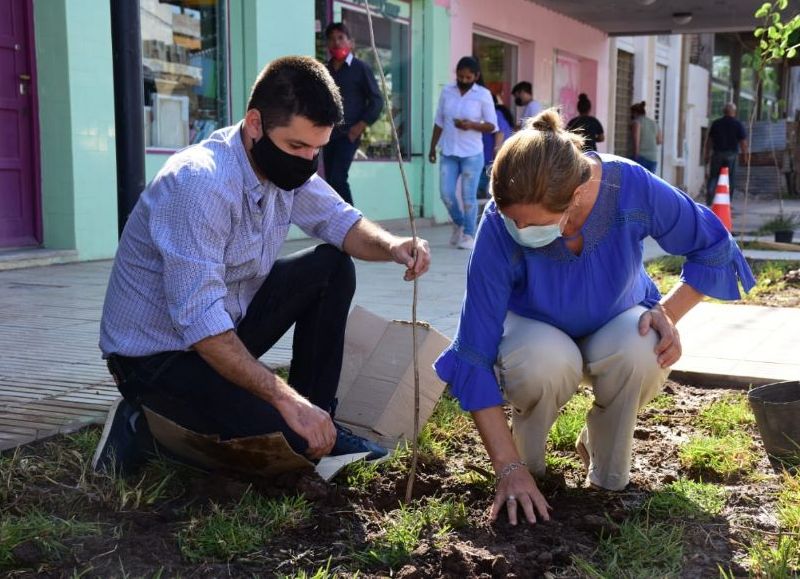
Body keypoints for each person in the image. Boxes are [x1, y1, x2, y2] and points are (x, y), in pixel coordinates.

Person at [94, 56, 431, 477]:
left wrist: (394, 246)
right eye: (297, 147)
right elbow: (201, 323)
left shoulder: (283, 167)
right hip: (158, 358)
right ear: (255, 123)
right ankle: (142, 422)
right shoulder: (200, 184)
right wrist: (285, 400)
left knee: (331, 266)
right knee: (286, 443)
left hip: (222, 330)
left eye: (317, 149)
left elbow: (340, 222)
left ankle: (319, 418)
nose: (308, 160)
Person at [434, 109, 755, 526]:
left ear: (575, 197)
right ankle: (527, 470)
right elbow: (474, 352)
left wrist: (667, 311)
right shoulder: (499, 223)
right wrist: (506, 468)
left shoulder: (630, 186)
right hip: (535, 330)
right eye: (511, 218)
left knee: (642, 350)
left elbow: (713, 244)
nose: (517, 228)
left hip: (617, 319)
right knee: (543, 362)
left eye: (529, 223)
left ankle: (607, 475)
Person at [428, 56, 498, 250]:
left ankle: (468, 234)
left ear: (476, 76)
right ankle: (459, 223)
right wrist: (432, 147)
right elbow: (439, 121)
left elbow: (492, 125)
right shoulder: (447, 91)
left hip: (472, 154)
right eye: (460, 76)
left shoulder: (483, 94)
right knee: (446, 194)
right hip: (448, 151)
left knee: (468, 197)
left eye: (468, 77)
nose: (464, 80)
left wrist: (471, 125)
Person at [323, 22, 383, 206]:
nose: (336, 42)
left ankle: (354, 221)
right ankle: (337, 222)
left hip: (348, 135)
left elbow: (377, 101)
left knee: (338, 178)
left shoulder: (360, 68)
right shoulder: (325, 71)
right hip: (326, 135)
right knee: (330, 182)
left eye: (341, 38)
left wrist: (359, 127)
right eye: (332, 39)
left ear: (351, 42)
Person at [705, 102, 749, 206]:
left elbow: (709, 141)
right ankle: (727, 202)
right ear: (734, 112)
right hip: (731, 155)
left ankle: (709, 200)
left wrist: (707, 154)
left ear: (723, 111)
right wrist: (745, 156)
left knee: (714, 176)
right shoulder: (737, 124)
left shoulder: (716, 123)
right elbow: (743, 142)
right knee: (730, 178)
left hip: (717, 154)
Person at [478, 92, 514, 198]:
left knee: (491, 194)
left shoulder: (496, 114)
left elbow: (500, 132)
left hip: (493, 160)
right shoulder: (495, 114)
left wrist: (496, 156)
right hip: (488, 161)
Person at [630, 101, 662, 173]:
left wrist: (635, 156)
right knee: (649, 179)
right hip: (653, 158)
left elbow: (636, 140)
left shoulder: (637, 122)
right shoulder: (654, 123)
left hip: (641, 157)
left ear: (635, 113)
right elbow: (659, 140)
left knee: (637, 178)